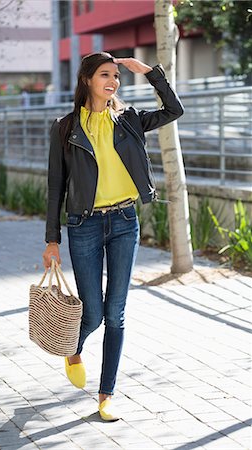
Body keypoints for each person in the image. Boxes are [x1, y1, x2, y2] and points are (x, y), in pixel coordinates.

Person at [43, 52, 184, 421]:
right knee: (91, 314)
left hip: (124, 220)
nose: (114, 81)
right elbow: (55, 186)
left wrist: (151, 73)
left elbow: (173, 110)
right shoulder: (65, 127)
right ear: (87, 78)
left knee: (116, 315)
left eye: (117, 76)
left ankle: (106, 395)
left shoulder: (130, 119)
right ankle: (73, 348)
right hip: (84, 225)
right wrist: (51, 240)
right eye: (105, 75)